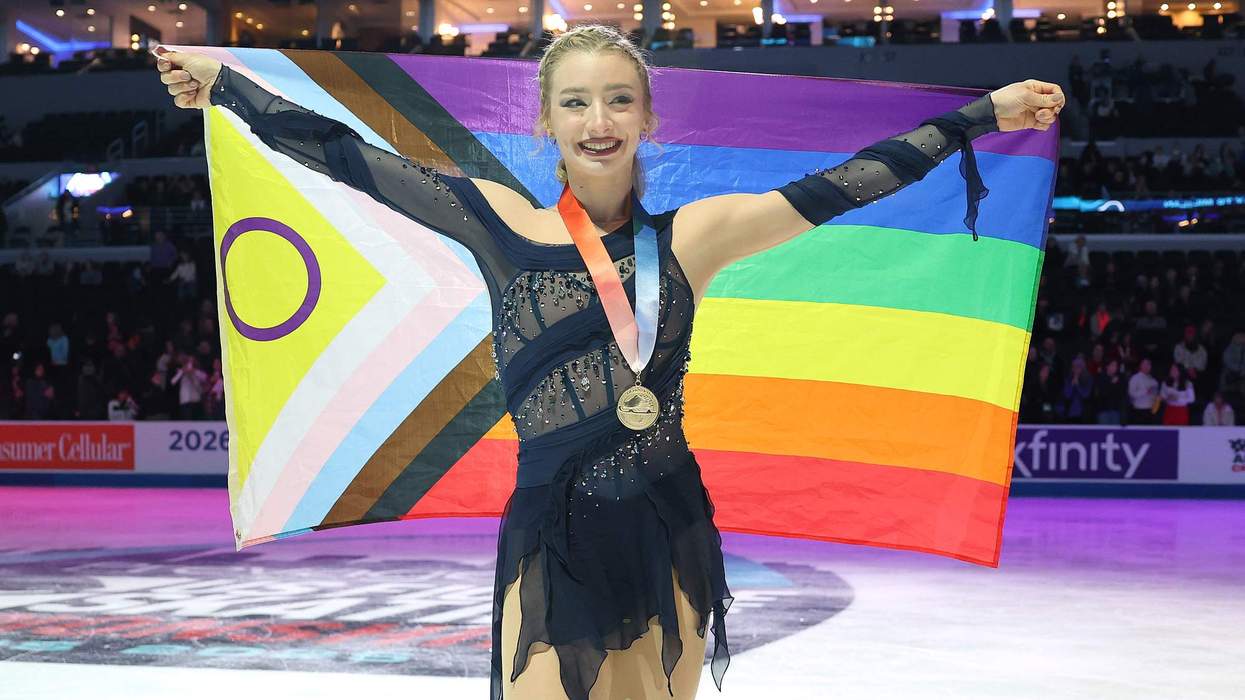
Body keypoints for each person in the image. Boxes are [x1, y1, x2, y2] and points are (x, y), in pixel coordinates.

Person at [156, 28, 1062, 700]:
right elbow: (348, 158)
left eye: (619, 100)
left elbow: (847, 183)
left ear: (647, 118)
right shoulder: (496, 220)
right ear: (545, 120)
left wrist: (984, 114)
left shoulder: (697, 237)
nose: (599, 121)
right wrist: (227, 87)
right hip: (549, 531)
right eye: (577, 102)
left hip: (665, 522)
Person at [1127, 357, 1159, 425]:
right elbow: (1131, 394)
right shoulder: (1135, 378)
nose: (1146, 366)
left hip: (1151, 411)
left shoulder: (1153, 380)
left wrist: (1155, 408)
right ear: (1140, 365)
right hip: (1139, 411)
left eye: (1148, 364)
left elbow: (1156, 397)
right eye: (1144, 364)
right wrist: (1146, 391)